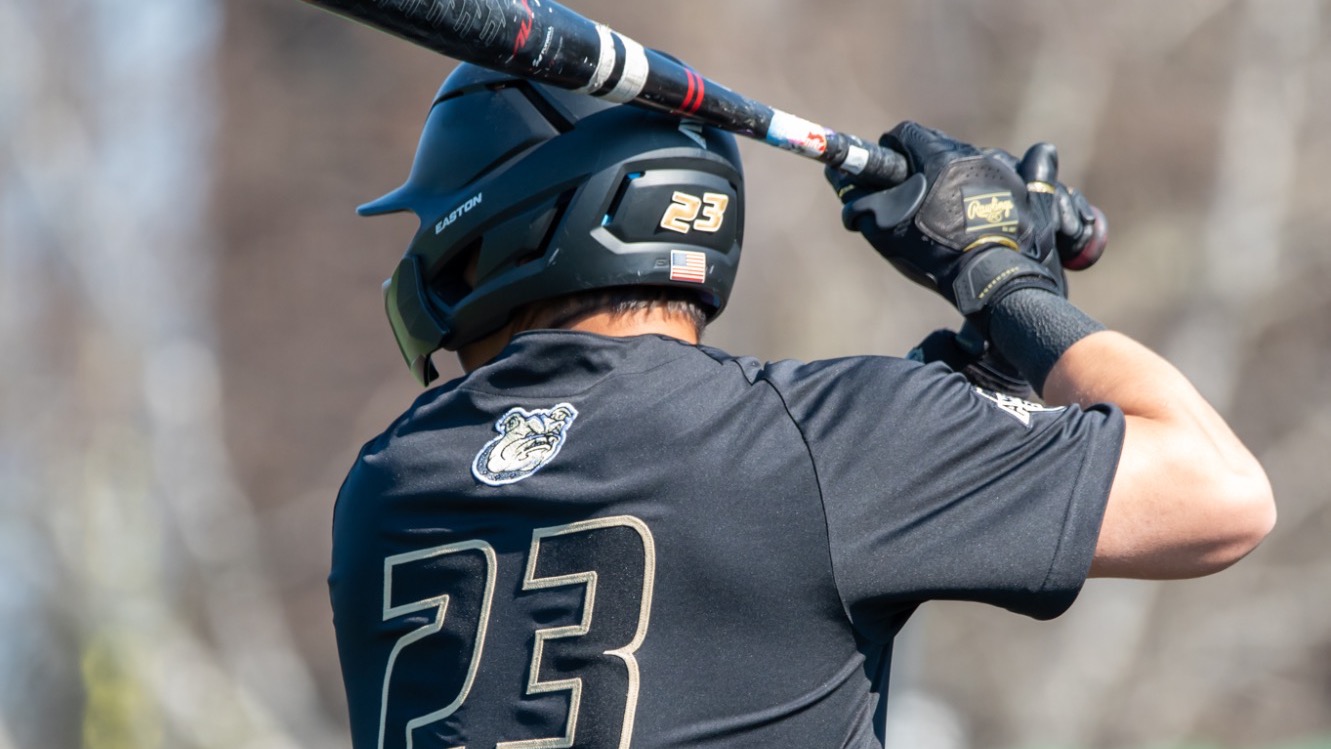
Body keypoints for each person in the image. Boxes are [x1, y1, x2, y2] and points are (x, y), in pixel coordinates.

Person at [329, 63, 1275, 749]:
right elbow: (1222, 495)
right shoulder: (824, 443)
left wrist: (976, 368)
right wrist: (1000, 280)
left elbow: (752, 519)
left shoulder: (387, 485)